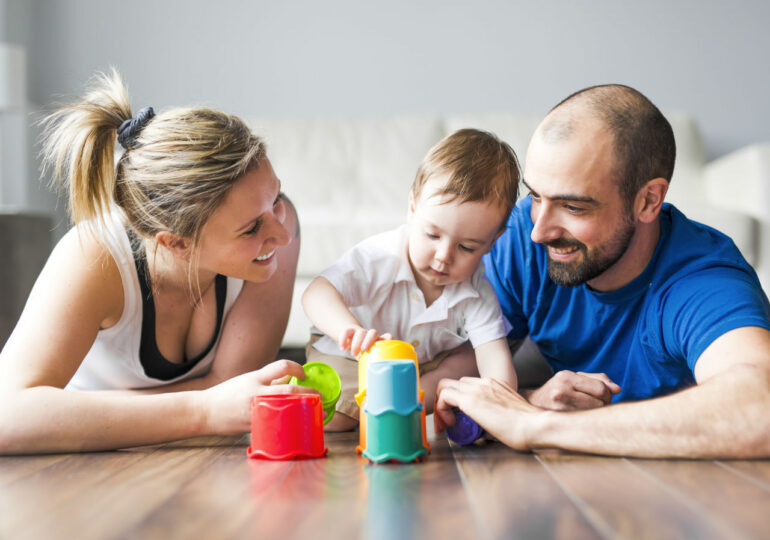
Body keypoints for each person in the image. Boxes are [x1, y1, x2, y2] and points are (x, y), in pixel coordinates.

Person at [435, 84, 770, 458]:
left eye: (573, 207)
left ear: (648, 201)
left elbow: (760, 408)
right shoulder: (521, 241)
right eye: (535, 196)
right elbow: (447, 375)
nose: (539, 231)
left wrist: (534, 425)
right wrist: (530, 401)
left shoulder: (702, 279)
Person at [0, 70, 312, 454]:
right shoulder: (93, 256)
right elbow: (8, 414)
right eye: (250, 229)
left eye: (276, 199)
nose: (281, 235)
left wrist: (83, 412)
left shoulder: (282, 229)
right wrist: (203, 411)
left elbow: (235, 387)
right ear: (177, 243)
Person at [302, 129, 520, 431]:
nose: (444, 256)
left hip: (421, 364)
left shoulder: (475, 291)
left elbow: (494, 357)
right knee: (334, 418)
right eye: (432, 235)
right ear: (412, 209)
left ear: (493, 241)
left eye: (467, 247)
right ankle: (394, 401)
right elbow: (316, 292)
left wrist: (502, 406)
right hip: (355, 358)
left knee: (469, 360)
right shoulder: (381, 257)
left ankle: (411, 397)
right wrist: (348, 330)